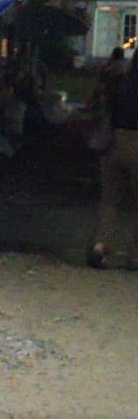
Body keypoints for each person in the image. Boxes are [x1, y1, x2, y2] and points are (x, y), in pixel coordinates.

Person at [89, 52, 138, 269]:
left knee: (109, 200)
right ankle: (135, 254)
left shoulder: (120, 85)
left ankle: (100, 246)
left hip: (114, 142)